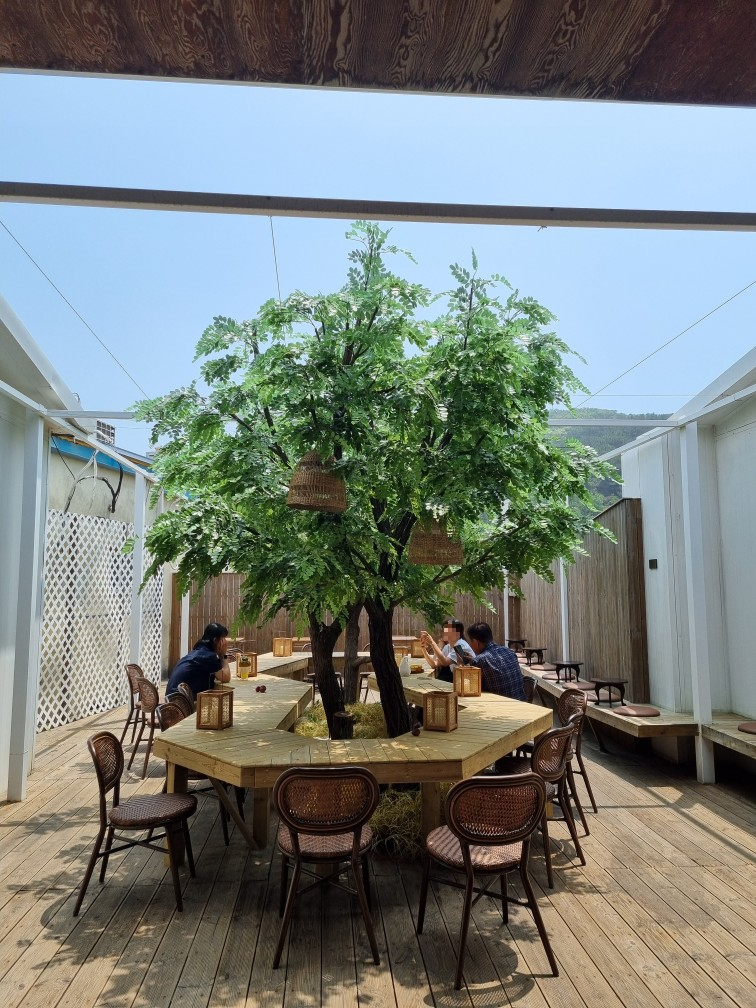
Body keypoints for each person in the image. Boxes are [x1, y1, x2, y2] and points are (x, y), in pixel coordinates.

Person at [166, 621, 232, 699]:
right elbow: (226, 677)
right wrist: (223, 655)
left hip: (172, 698)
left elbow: (218, 675)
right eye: (223, 639)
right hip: (180, 702)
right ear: (215, 640)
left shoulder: (200, 651)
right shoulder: (208, 657)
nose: (225, 642)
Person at [466, 622, 526, 701]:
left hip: (499, 706)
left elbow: (470, 690)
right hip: (521, 703)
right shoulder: (509, 651)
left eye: (470, 642)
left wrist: (461, 665)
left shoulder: (479, 661)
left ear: (476, 642)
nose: (469, 644)